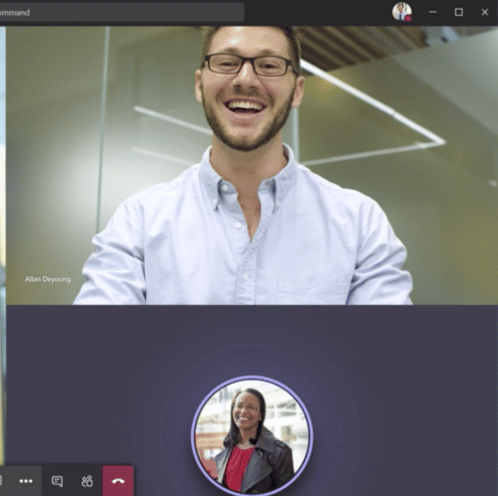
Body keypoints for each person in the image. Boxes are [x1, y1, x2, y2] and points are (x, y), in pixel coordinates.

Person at [74, 26, 413, 305]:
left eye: (269, 65)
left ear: (297, 91)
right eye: (226, 62)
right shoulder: (139, 222)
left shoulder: (359, 224)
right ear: (198, 85)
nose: (246, 79)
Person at [214, 389, 295, 494]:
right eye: (239, 406)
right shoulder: (225, 451)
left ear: (261, 415)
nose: (243, 411)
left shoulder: (280, 453)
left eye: (250, 407)